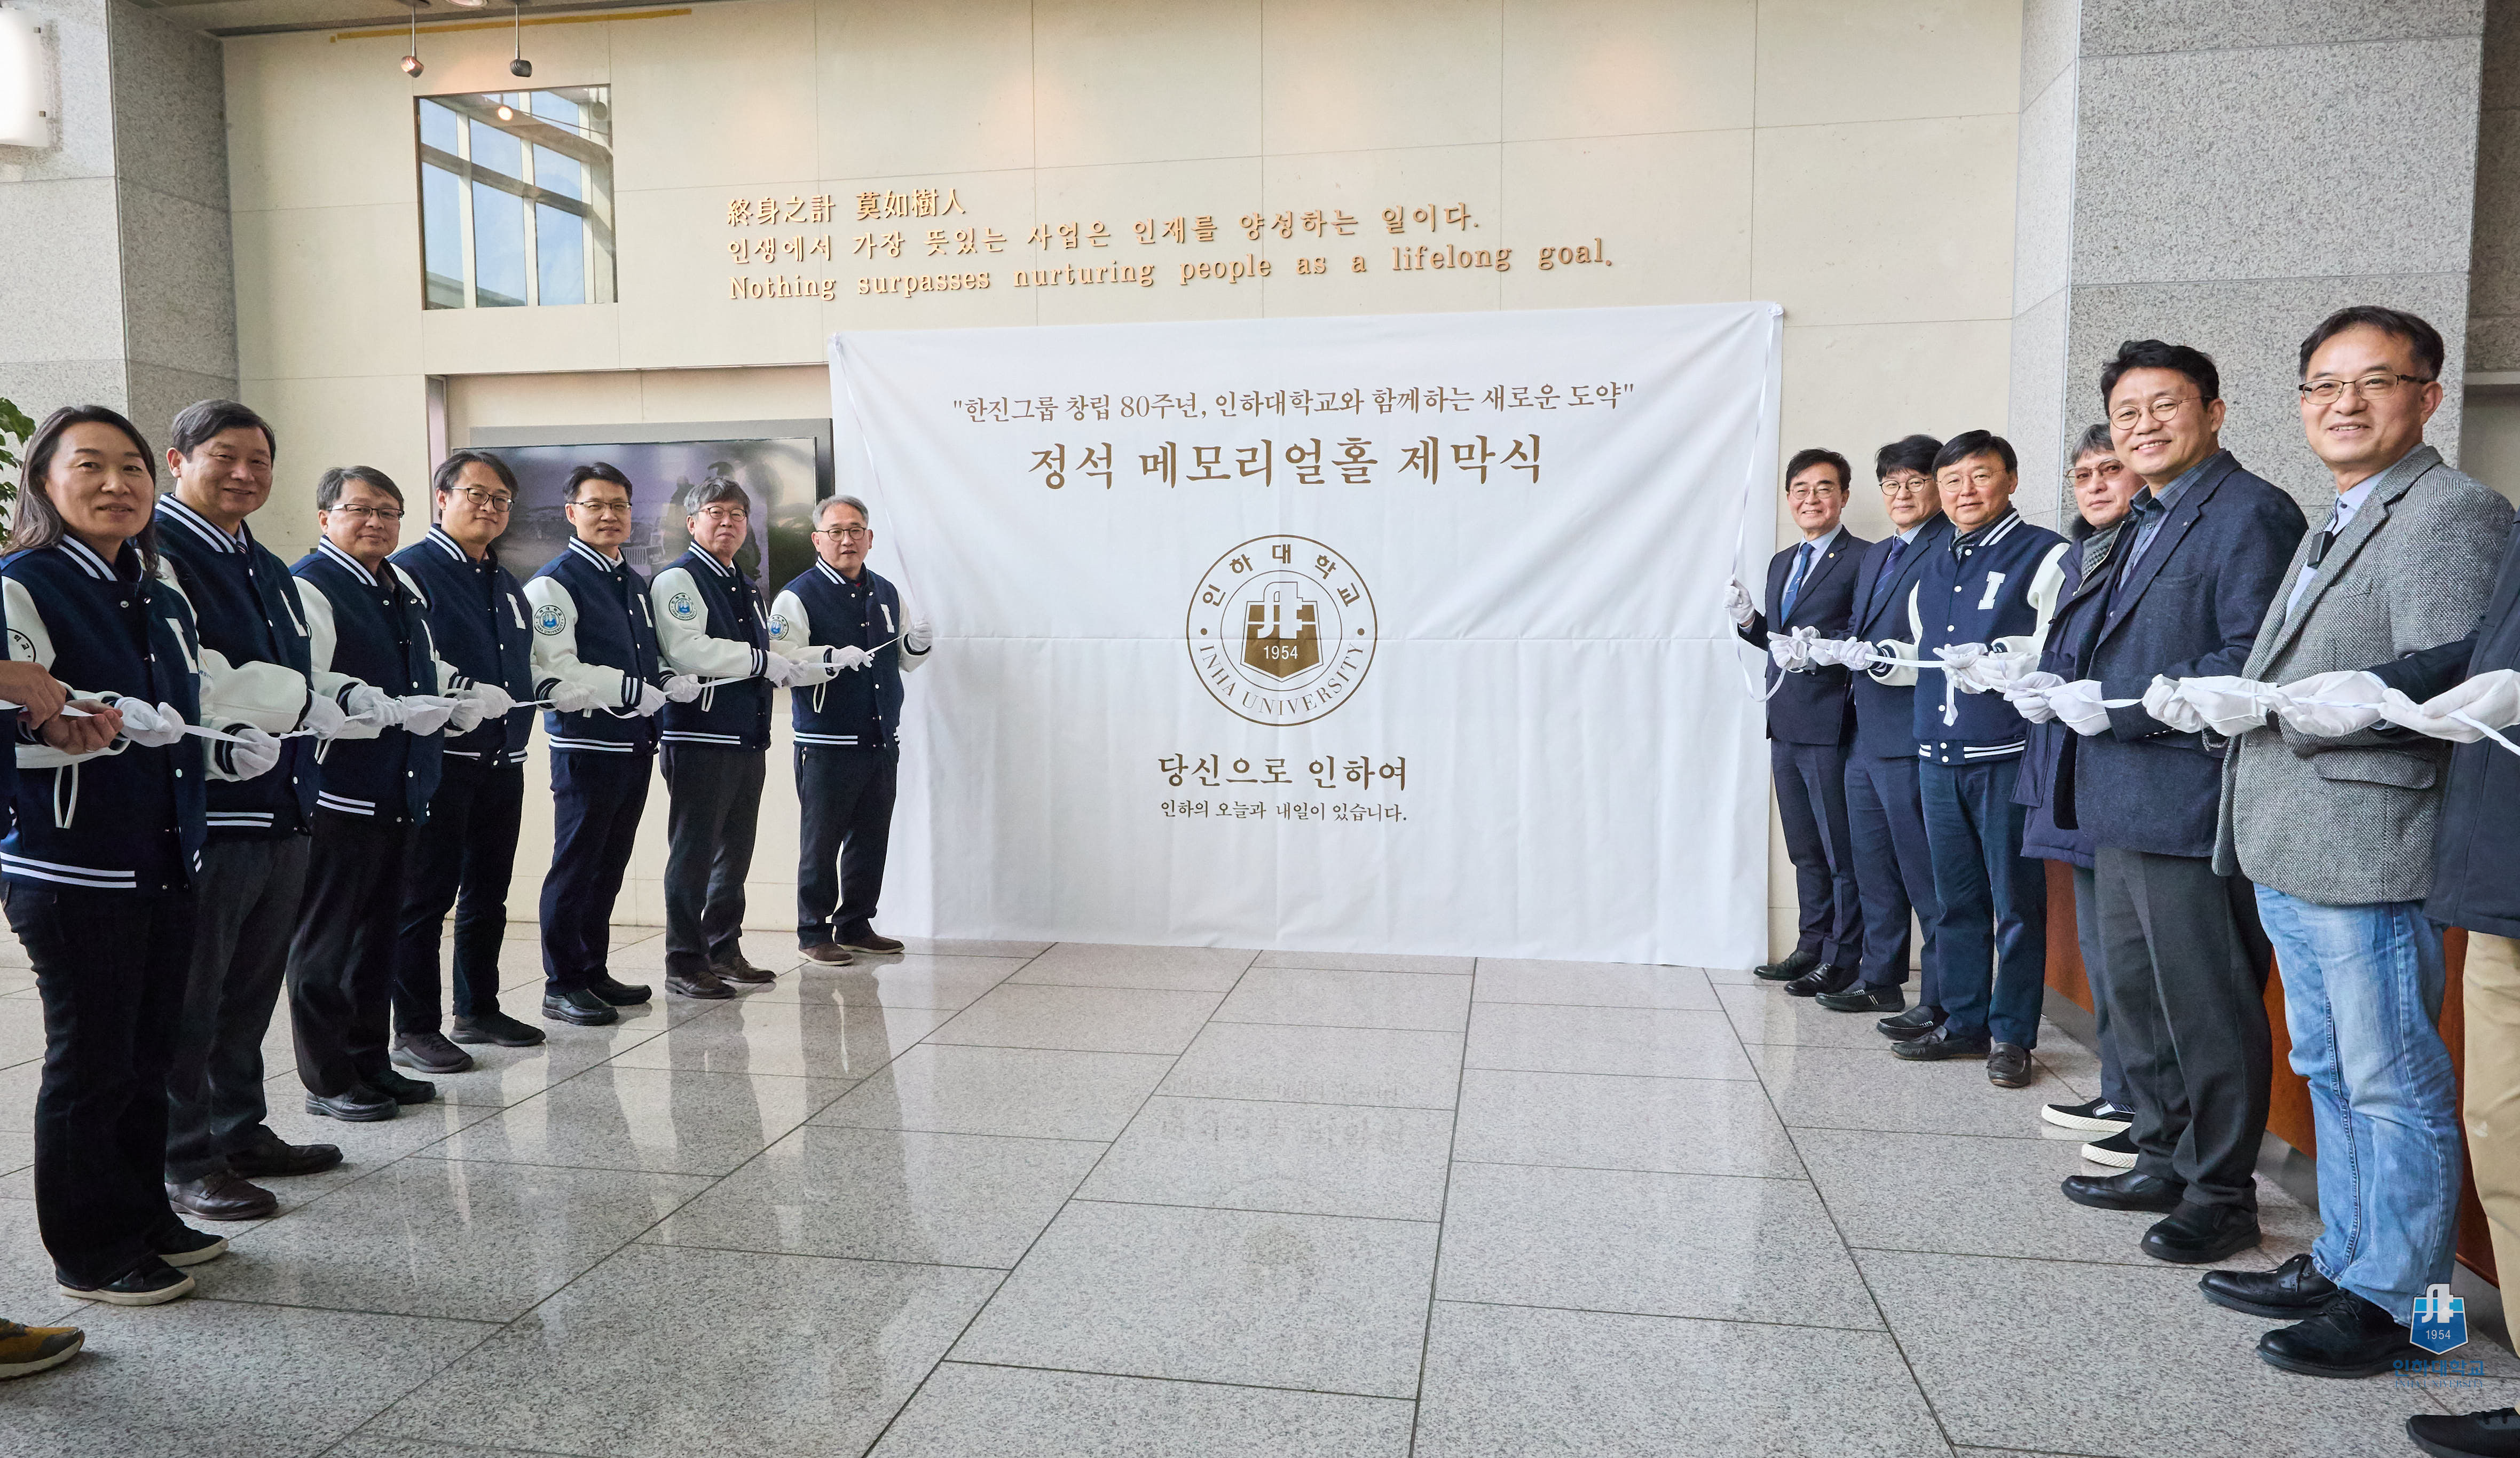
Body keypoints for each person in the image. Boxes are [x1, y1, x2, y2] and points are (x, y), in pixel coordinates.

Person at [2180, 307, 2509, 1377]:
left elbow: (2446, 676)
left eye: (2374, 381)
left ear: (2428, 395)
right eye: (2323, 385)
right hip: (2296, 837)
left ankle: (2408, 1307)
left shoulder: (2450, 512)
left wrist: (2341, 702)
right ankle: (2346, 1256)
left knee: (2391, 1080)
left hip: (2369, 842)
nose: (2344, 403)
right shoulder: (2339, 511)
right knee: (2327, 1065)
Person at [2, 405, 297, 1304]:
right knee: (90, 1064)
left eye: (131, 468)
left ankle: (145, 1214)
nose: (116, 484)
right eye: (89, 465)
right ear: (44, 481)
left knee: (150, 1054)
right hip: (74, 863)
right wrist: (63, 727)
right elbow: (18, 721)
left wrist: (225, 749)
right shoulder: (24, 583)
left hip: (167, 855)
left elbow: (181, 717)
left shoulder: (159, 594)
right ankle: (91, 1250)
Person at [2023, 338, 2304, 1264]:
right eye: (2127, 413)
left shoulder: (2250, 511)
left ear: (2214, 412)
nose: (2143, 426)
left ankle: (2222, 1193)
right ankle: (2160, 1155)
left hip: (2188, 800)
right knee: (2139, 999)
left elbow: (2251, 656)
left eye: (2164, 406)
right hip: (2117, 795)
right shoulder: (2142, 514)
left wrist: (2122, 706)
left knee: (2207, 1009)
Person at [150, 400, 342, 1223]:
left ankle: (239, 1127)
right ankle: (185, 1156)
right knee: (192, 998)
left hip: (282, 802)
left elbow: (299, 671)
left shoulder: (265, 563)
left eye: (259, 460)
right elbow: (193, 678)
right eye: (224, 456)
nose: (244, 473)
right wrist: (297, 699)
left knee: (250, 989)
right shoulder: (156, 553)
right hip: (213, 810)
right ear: (176, 460)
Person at [1872, 431, 2066, 1087]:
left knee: (2015, 904)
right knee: (1954, 900)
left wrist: (2005, 659)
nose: (1964, 491)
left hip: (2005, 752)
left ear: (2010, 479)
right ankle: (1962, 1021)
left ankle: (2011, 1034)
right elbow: (1924, 658)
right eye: (1951, 480)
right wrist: (1876, 660)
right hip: (1935, 753)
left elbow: (2057, 648)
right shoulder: (1931, 563)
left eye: (1980, 476)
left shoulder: (2045, 554)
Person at [287, 467, 477, 1122]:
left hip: (402, 787)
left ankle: (370, 1061)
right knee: (327, 944)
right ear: (326, 518)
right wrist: (374, 704)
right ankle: (327, 1078)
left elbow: (424, 665)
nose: (377, 522)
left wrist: (457, 694)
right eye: (360, 509)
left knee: (378, 939)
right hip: (341, 793)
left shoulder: (399, 586)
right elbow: (308, 679)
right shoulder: (312, 585)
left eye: (390, 512)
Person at [2013, 425, 2143, 1161]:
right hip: (2074, 766)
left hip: (2124, 768)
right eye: (2083, 473)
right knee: (2103, 954)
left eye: (2110, 469)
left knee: (2130, 961)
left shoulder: (2144, 547)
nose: (2095, 485)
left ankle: (2142, 1106)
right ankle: (2120, 1090)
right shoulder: (2077, 555)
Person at [388, 451, 540, 1066]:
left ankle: (478, 1008)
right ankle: (414, 1028)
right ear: (443, 497)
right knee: (425, 896)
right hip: (442, 759)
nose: (489, 507)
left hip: (503, 758)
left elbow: (523, 662)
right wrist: (462, 693)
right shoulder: (410, 572)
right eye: (476, 494)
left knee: (488, 892)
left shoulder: (505, 581)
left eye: (501, 499)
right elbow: (412, 662)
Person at [524, 462, 677, 1026]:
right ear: (572, 513)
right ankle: (561, 982)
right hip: (586, 747)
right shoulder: (554, 583)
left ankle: (592, 968)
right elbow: (556, 666)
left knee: (609, 864)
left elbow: (644, 655)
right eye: (596, 505)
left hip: (633, 742)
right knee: (576, 864)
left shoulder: (630, 580)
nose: (610, 515)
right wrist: (627, 688)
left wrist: (663, 679)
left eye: (619, 505)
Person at [1808, 436, 1949, 1022]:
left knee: (1926, 875)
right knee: (1872, 866)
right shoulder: (1879, 554)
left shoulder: (1947, 547)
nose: (1901, 493)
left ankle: (1942, 997)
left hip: (1913, 732)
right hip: (1864, 731)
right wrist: (1824, 647)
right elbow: (1861, 632)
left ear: (1937, 485)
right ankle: (1880, 978)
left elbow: (1942, 640)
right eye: (1891, 484)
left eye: (1915, 481)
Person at [651, 477, 810, 998]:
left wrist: (806, 661)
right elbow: (688, 650)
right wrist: (761, 661)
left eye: (737, 514)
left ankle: (723, 948)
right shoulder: (679, 579)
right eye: (715, 512)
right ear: (692, 522)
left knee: (735, 853)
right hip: (699, 737)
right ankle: (683, 960)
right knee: (693, 853)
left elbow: (767, 652)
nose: (727, 522)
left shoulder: (743, 582)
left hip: (745, 735)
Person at [1729, 448, 1870, 990]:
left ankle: (1843, 957)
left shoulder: (1864, 558)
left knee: (1840, 851)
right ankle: (1810, 945)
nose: (1811, 499)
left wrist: (1818, 651)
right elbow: (1778, 640)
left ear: (1844, 496)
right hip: (1784, 720)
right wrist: (1750, 622)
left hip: (1832, 724)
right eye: (1801, 490)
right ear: (1788, 497)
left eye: (1824, 488)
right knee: (1804, 847)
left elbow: (1863, 637)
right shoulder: (1781, 561)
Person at [771, 495, 931, 964]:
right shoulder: (797, 595)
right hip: (827, 743)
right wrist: (829, 658)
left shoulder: (886, 591)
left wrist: (919, 644)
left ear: (870, 537)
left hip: (880, 739)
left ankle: (856, 923)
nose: (847, 540)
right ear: (817, 539)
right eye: (836, 531)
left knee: (870, 836)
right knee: (821, 842)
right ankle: (813, 931)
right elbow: (781, 662)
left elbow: (905, 660)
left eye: (855, 530)